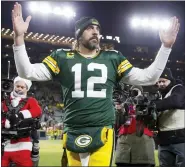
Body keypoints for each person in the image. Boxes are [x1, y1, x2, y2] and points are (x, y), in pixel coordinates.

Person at [11, 2, 179, 166]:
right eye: (89, 28)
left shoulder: (113, 58)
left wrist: (166, 47)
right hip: (73, 128)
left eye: (98, 29)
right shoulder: (62, 56)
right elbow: (27, 73)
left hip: (103, 128)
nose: (95, 32)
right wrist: (19, 38)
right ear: (78, 33)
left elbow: (148, 77)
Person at [1, 76, 42, 167]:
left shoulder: (30, 100)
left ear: (26, 89)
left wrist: (20, 115)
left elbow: (37, 111)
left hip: (23, 142)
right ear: (14, 86)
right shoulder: (5, 101)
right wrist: (5, 122)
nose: (19, 88)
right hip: (6, 142)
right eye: (17, 86)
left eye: (22, 87)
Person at [115, 85, 155, 167]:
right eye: (133, 91)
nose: (135, 93)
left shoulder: (148, 103)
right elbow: (119, 122)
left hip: (143, 138)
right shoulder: (125, 104)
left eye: (137, 91)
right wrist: (120, 111)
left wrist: (145, 108)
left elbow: (153, 121)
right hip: (125, 139)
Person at [154, 68, 185, 167]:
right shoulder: (159, 96)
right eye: (158, 81)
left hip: (180, 139)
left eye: (163, 81)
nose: (161, 84)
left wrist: (155, 105)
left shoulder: (178, 88)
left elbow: (176, 101)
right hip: (164, 140)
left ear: (170, 80)